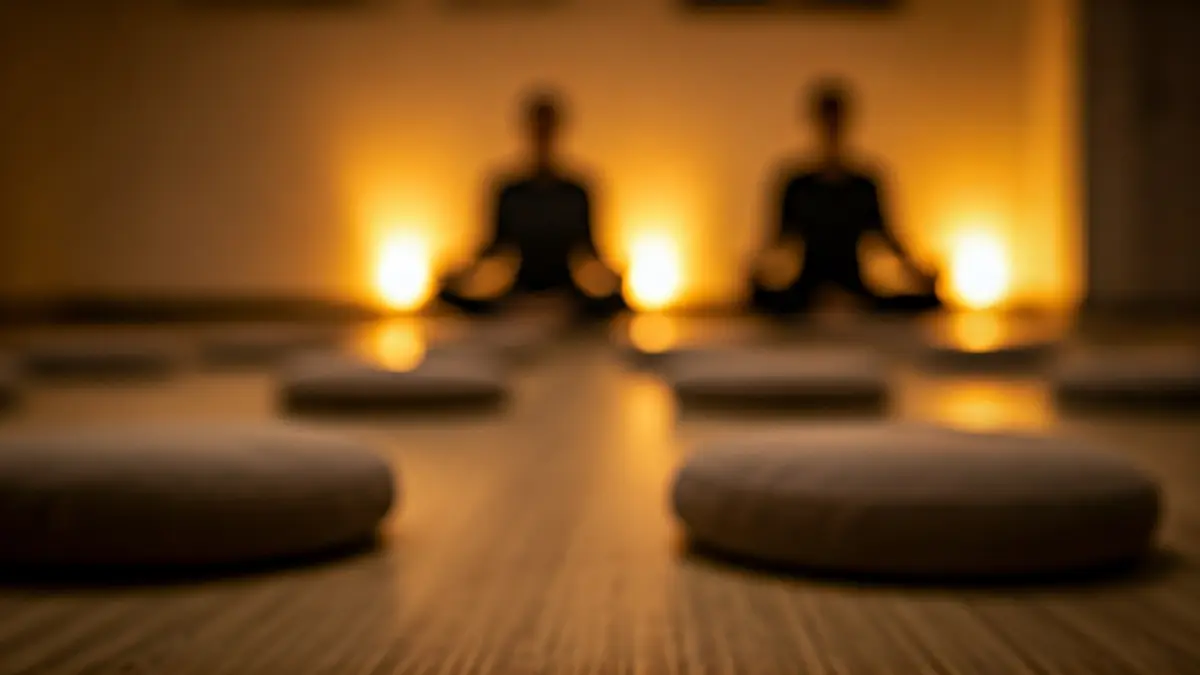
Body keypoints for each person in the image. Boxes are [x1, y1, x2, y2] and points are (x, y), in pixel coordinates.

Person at [751, 79, 942, 316]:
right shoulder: (796, 185)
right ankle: (827, 303)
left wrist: (920, 274)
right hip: (808, 289)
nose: (831, 128)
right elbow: (777, 240)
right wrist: (757, 270)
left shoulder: (865, 185)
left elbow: (889, 238)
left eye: (836, 121)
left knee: (926, 301)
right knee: (761, 299)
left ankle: (842, 304)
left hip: (855, 286)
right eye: (827, 121)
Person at [439, 89, 626, 320]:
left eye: (547, 127)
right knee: (447, 297)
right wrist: (457, 273)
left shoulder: (577, 192)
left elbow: (591, 250)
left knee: (615, 303)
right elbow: (493, 246)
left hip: (567, 295)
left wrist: (616, 276)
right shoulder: (509, 191)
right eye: (537, 127)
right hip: (519, 292)